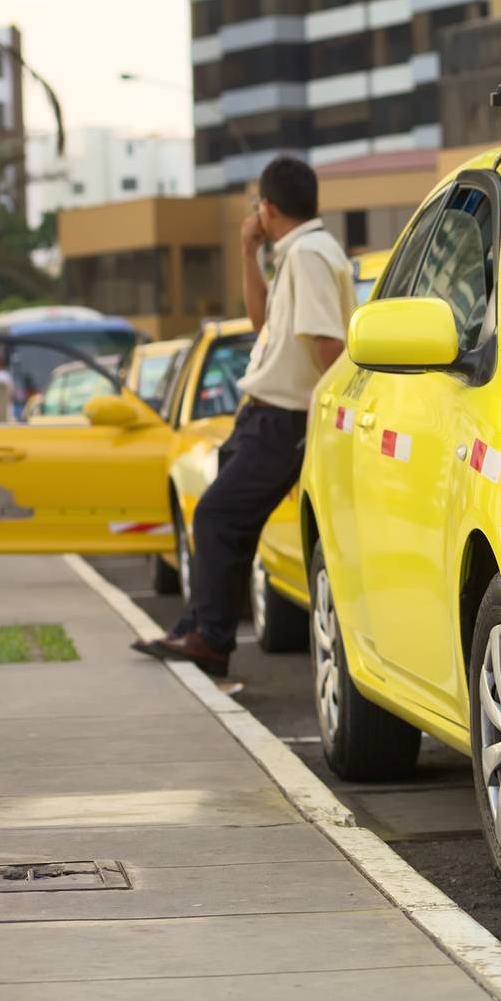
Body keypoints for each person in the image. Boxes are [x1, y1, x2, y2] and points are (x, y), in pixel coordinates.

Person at [132, 156, 354, 677]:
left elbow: (331, 343)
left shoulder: (310, 255)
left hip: (285, 418)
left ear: (268, 207)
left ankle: (209, 638)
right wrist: (247, 249)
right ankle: (198, 626)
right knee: (227, 527)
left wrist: (326, 424)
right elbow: (260, 324)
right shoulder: (297, 252)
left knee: (214, 517)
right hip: (262, 415)